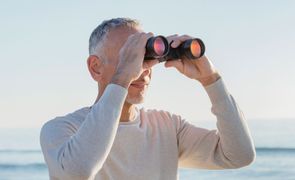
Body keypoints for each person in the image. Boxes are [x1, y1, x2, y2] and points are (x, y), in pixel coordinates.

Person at [40, 17, 255, 180]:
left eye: (147, 59)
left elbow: (239, 155)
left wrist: (211, 79)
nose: (142, 70)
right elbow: (78, 172)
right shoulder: (61, 130)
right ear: (95, 67)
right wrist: (123, 77)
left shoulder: (167, 127)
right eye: (131, 58)